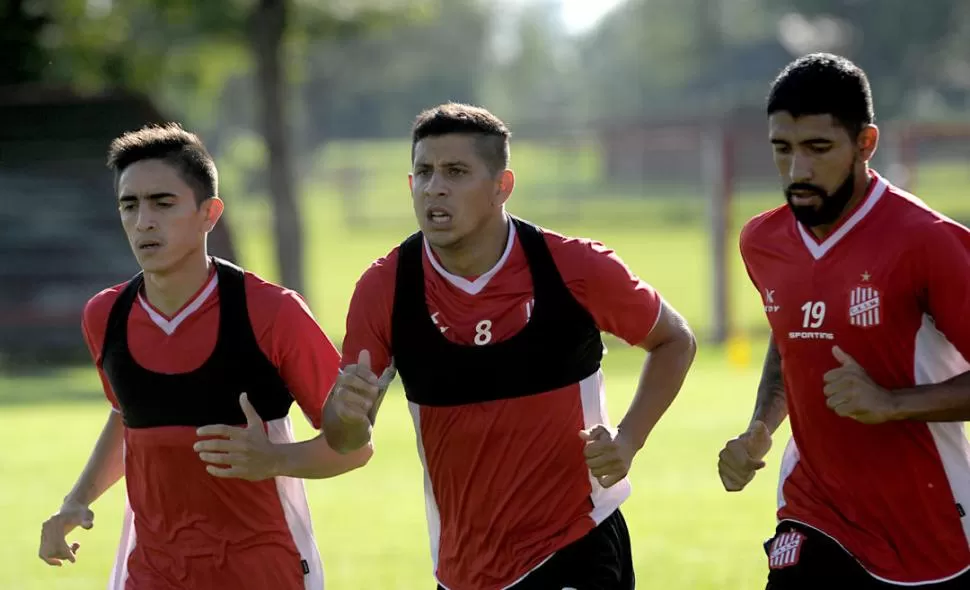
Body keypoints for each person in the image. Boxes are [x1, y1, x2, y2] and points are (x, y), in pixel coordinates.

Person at [322, 103, 697, 590]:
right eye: (424, 171)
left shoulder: (574, 267)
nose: (435, 186)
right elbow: (345, 437)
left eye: (456, 172)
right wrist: (347, 414)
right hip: (463, 569)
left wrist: (628, 439)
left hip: (576, 543)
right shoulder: (385, 287)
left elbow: (674, 340)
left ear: (502, 186)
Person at [37, 123, 373, 590]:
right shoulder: (104, 315)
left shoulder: (272, 312)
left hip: (261, 568)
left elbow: (354, 449)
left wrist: (275, 459)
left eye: (163, 202)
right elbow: (129, 418)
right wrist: (77, 500)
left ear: (209, 213)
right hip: (152, 571)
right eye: (129, 204)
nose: (143, 221)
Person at [718, 53, 970, 589]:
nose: (797, 170)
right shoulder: (762, 241)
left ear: (866, 143)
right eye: (781, 149)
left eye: (819, 148)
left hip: (929, 526)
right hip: (814, 511)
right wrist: (759, 430)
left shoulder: (927, 241)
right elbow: (792, 337)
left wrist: (891, 403)